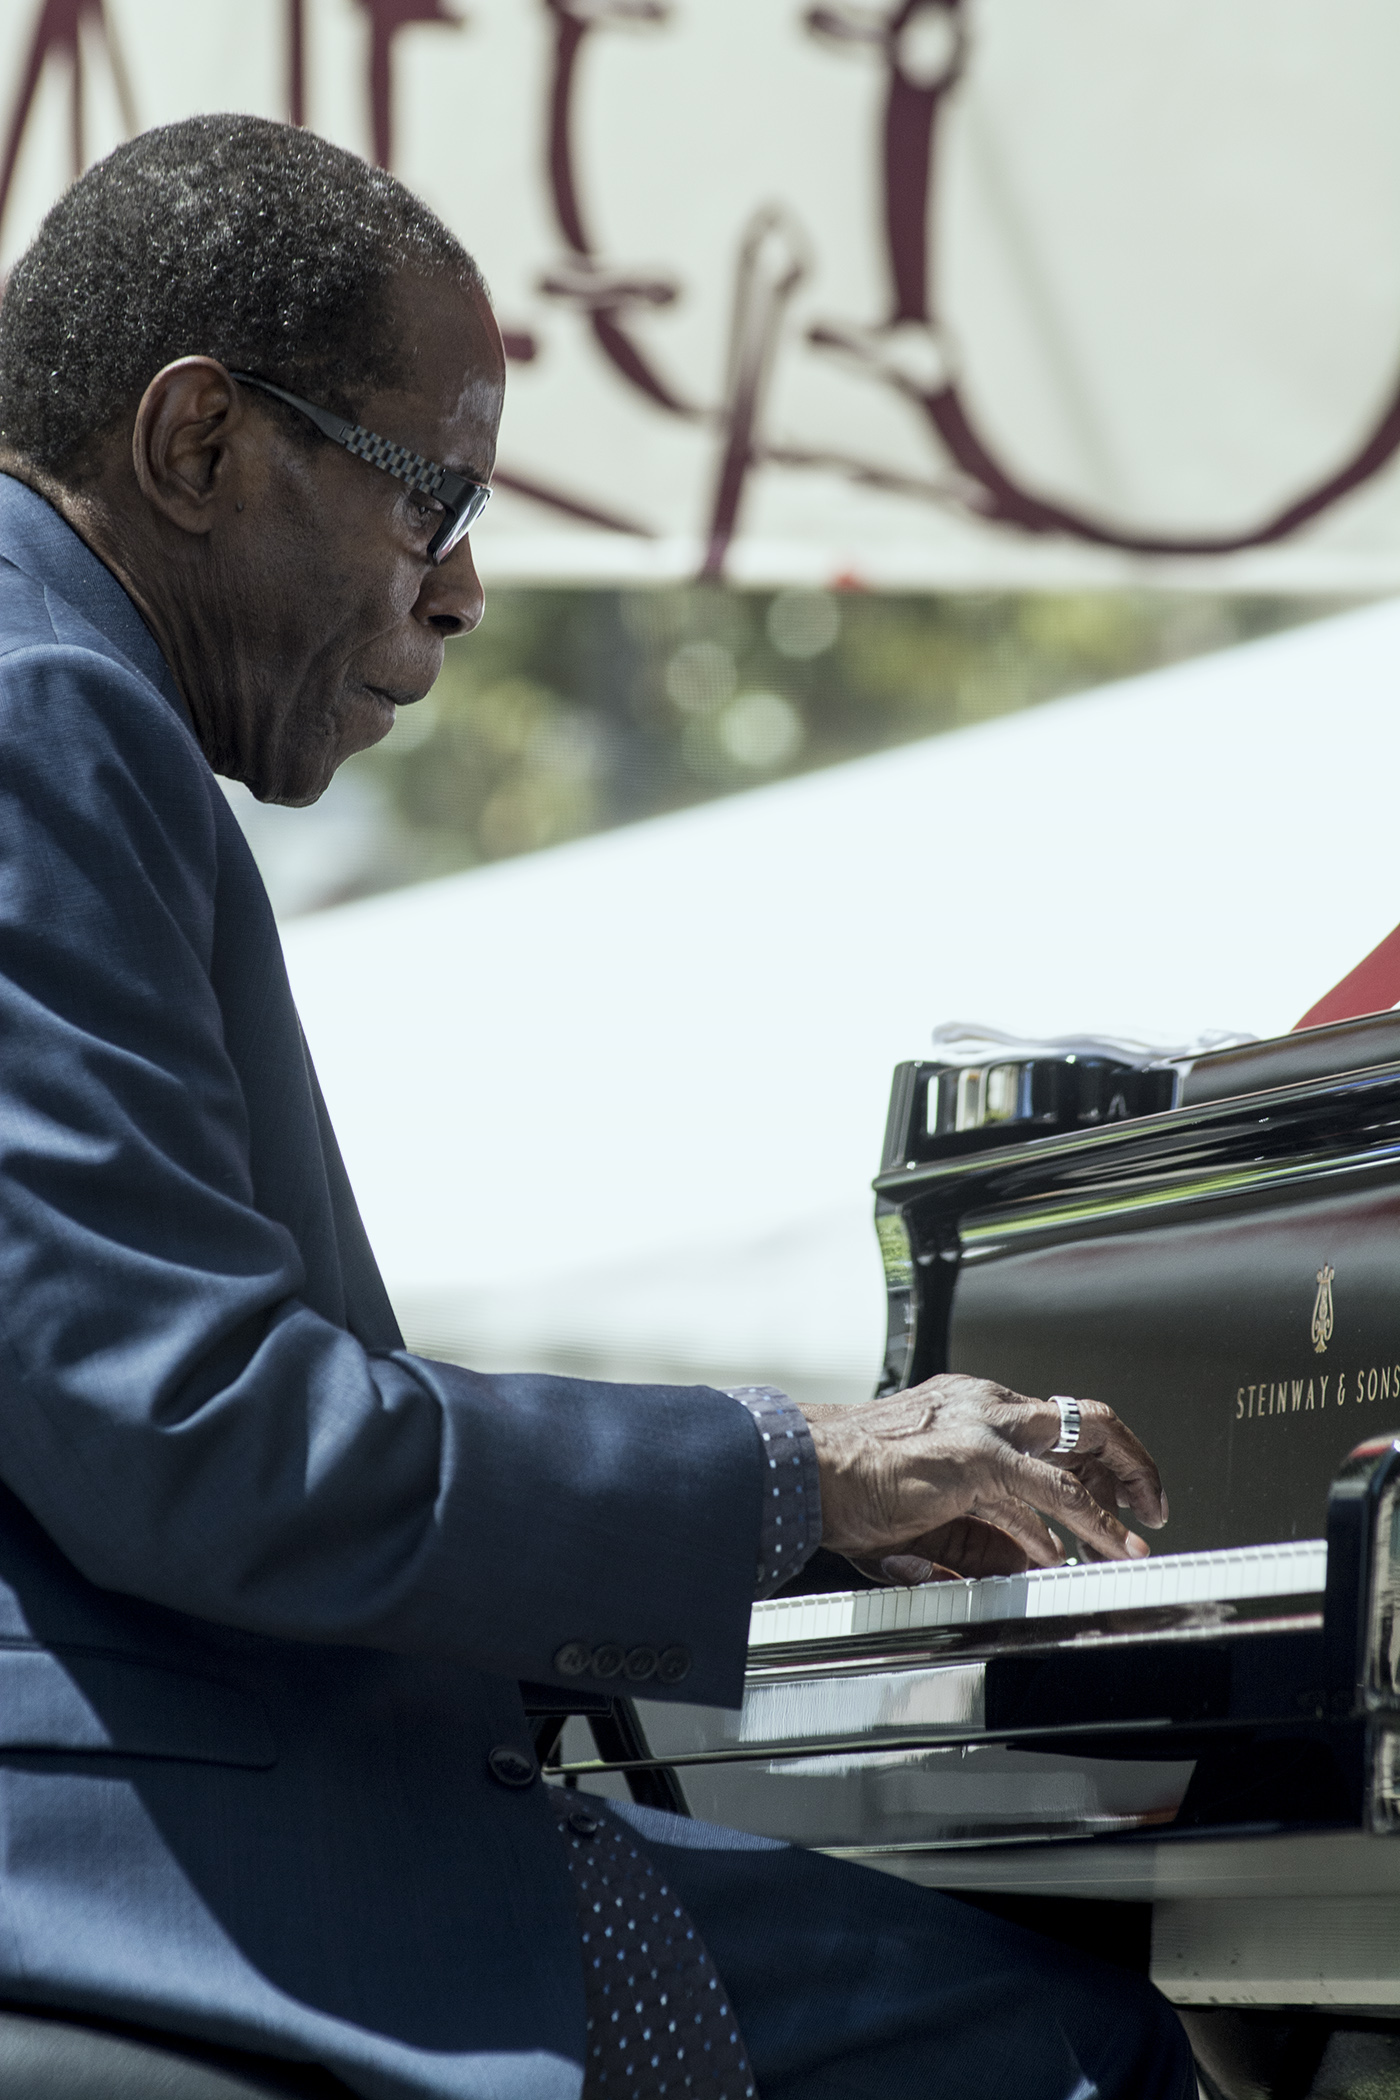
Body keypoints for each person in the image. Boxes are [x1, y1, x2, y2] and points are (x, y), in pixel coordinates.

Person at [0, 113, 1195, 2099]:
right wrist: (794, 1468)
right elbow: (197, 1438)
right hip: (135, 1872)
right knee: (1061, 2041)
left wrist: (791, 1530)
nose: (459, 591)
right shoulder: (42, 704)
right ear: (197, 442)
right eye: (429, 496)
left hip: (178, 1804)